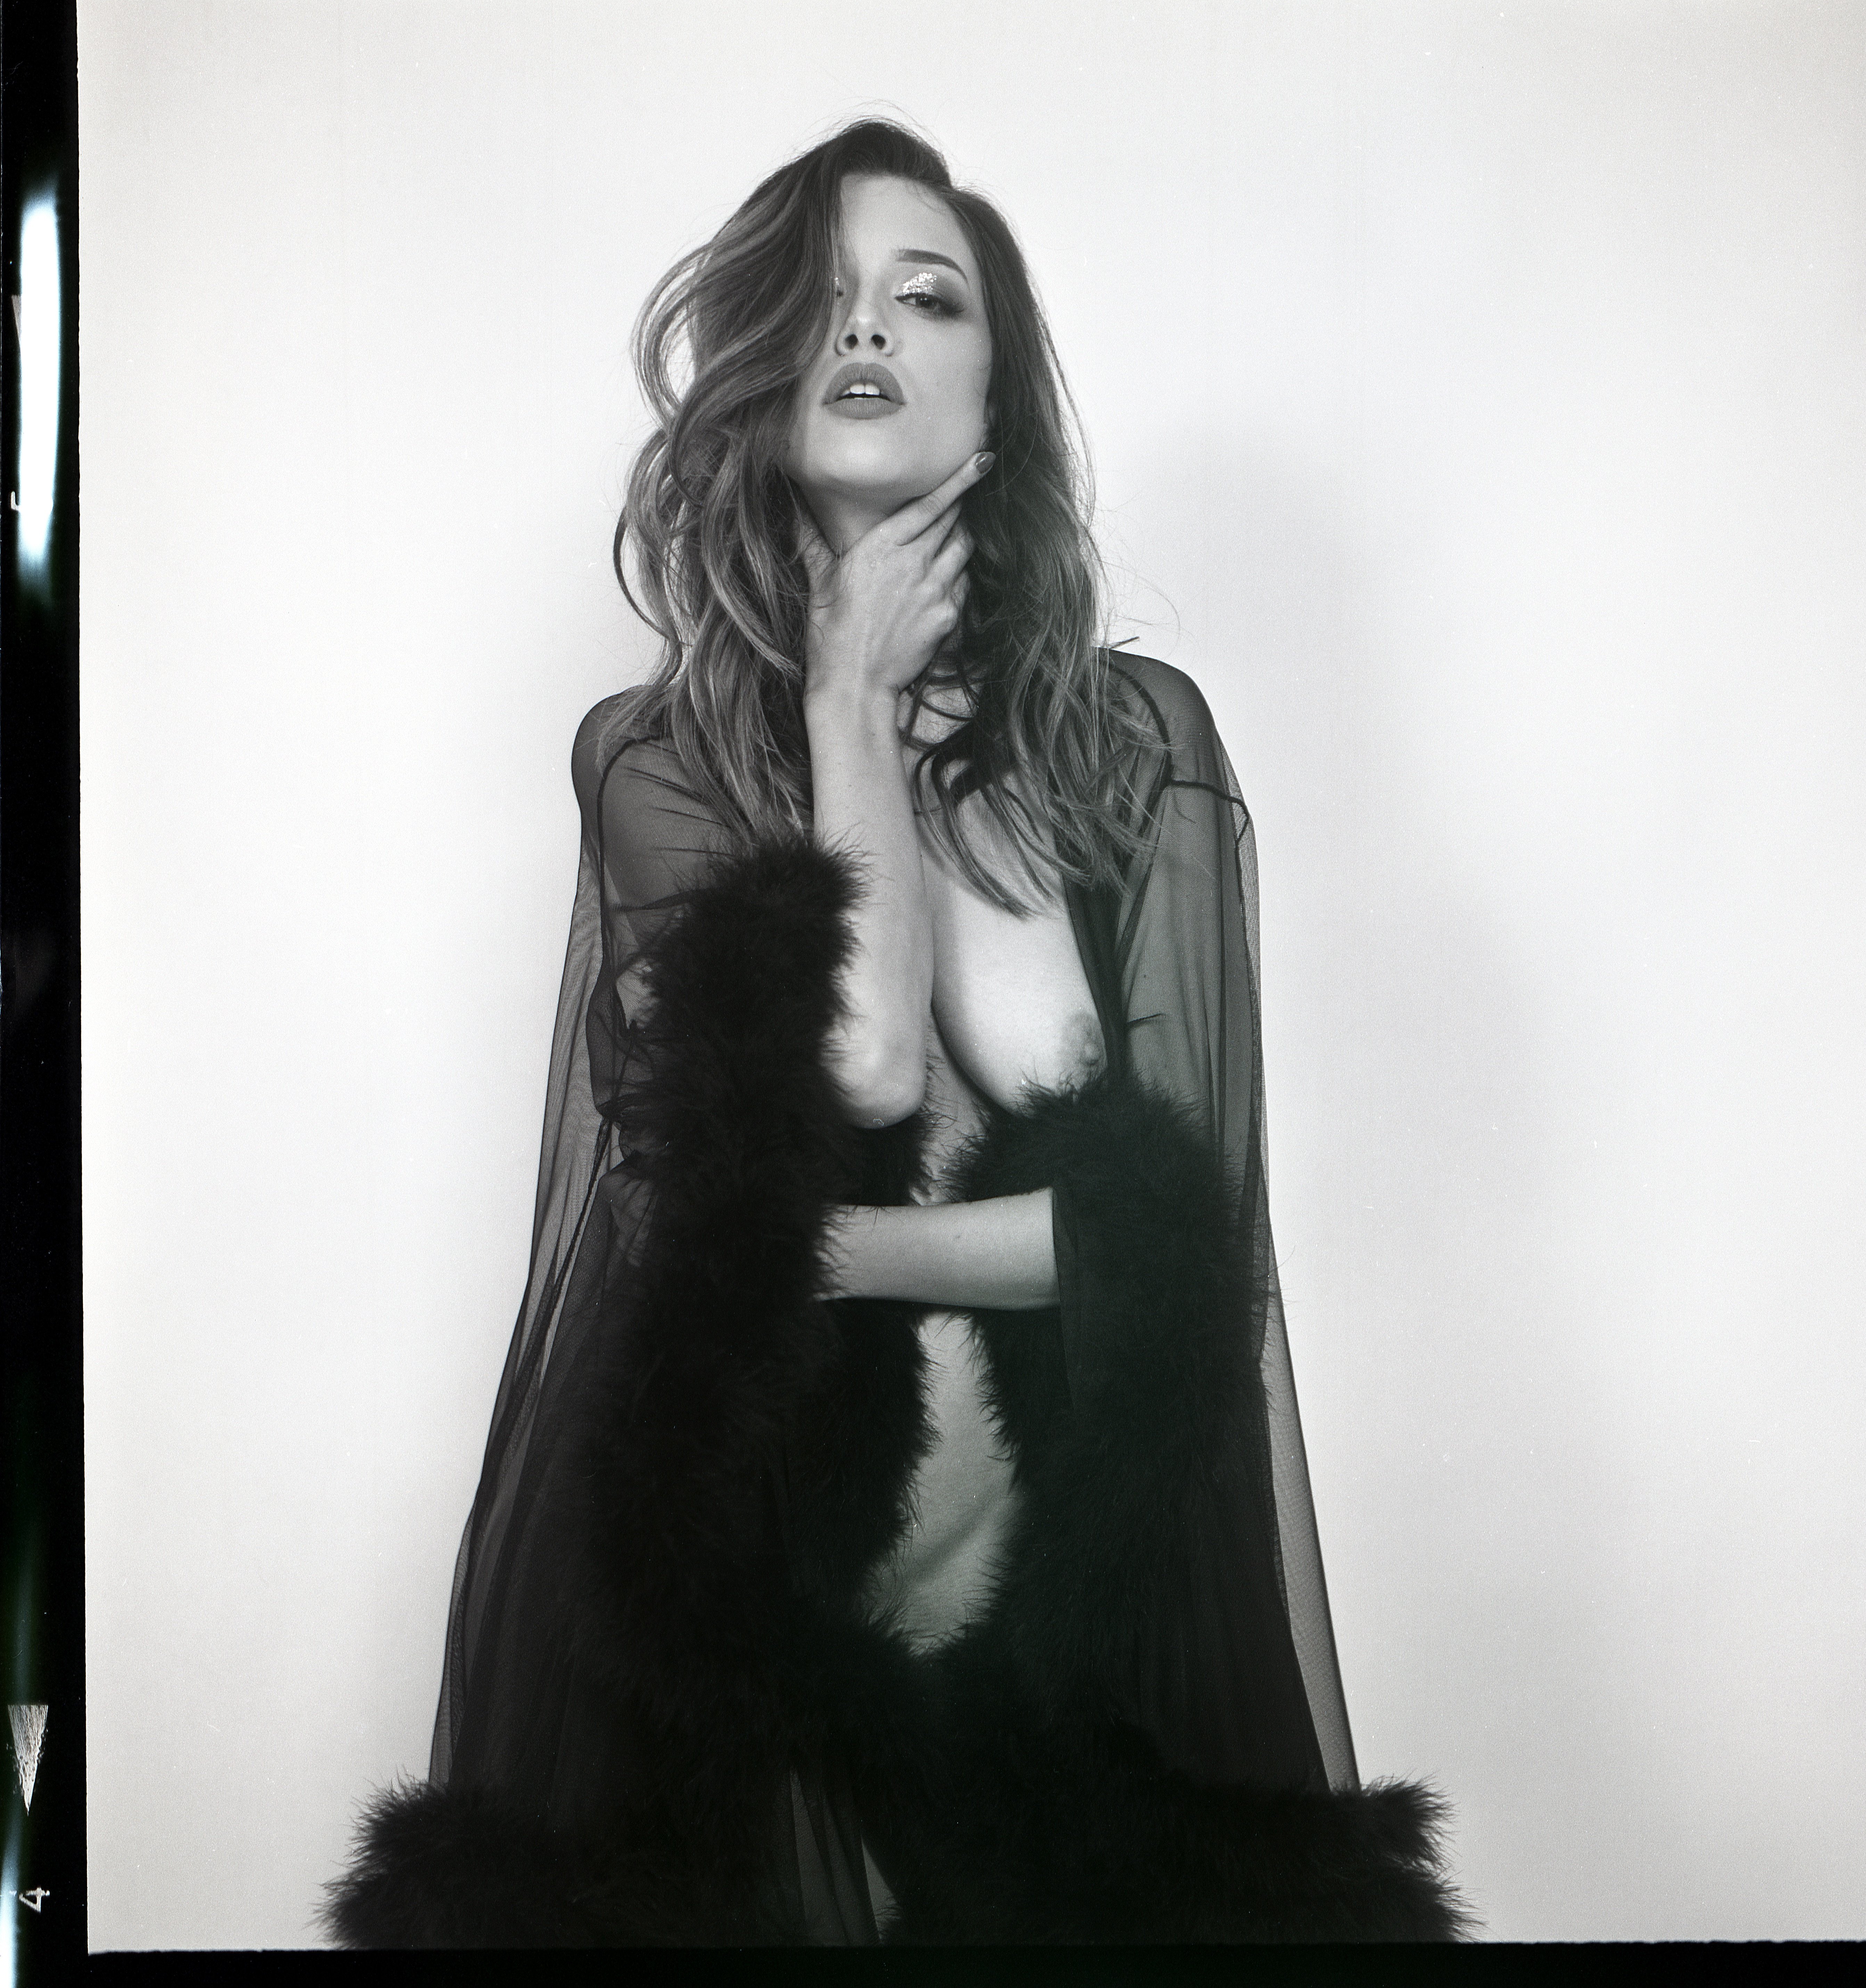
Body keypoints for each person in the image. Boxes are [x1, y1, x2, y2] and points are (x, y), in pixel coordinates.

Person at [324, 118, 1462, 1947]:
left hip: (1059, 1633)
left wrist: (824, 1246)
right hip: (741, 1605)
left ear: (997, 402)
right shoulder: (659, 762)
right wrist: (850, 697)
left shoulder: (1126, 744)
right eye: (826, 297)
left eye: (929, 298)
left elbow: (1170, 1251)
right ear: (762, 370)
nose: (869, 328)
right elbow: (857, 1068)